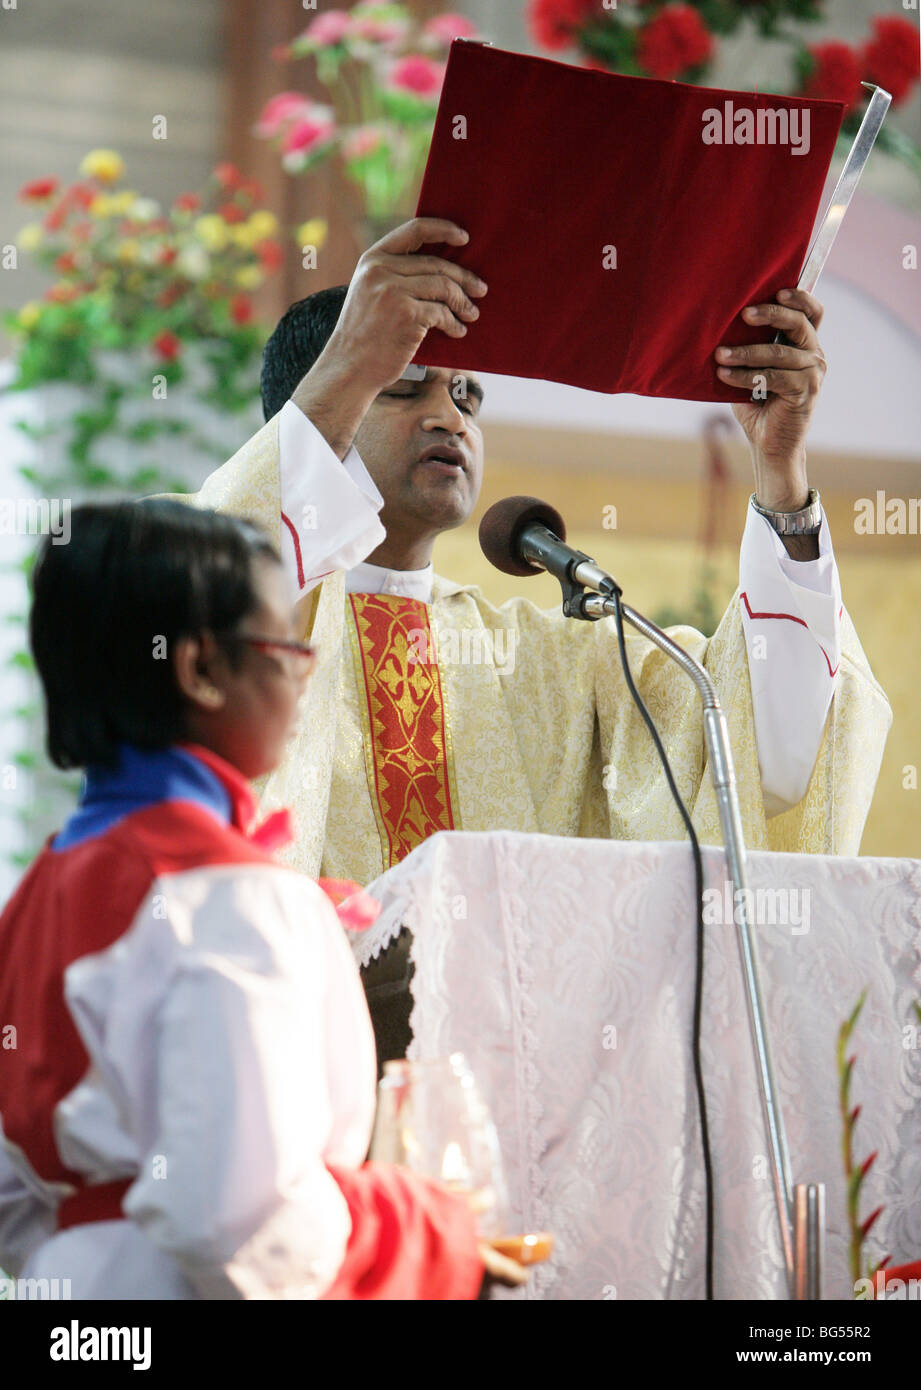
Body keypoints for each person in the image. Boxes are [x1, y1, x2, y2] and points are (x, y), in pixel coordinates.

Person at [156, 218, 891, 1064]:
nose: (450, 415)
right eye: (406, 386)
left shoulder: (555, 658)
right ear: (325, 397)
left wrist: (780, 472)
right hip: (293, 1077)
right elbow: (184, 616)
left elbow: (760, 748)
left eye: (468, 396)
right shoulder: (264, 629)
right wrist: (349, 364)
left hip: (519, 1092)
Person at [0, 500, 525, 1299]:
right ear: (201, 670)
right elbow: (237, 1218)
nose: (302, 669)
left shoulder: (35, 894)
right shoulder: (227, 895)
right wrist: (428, 1233)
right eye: (285, 643)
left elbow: (13, 1196)